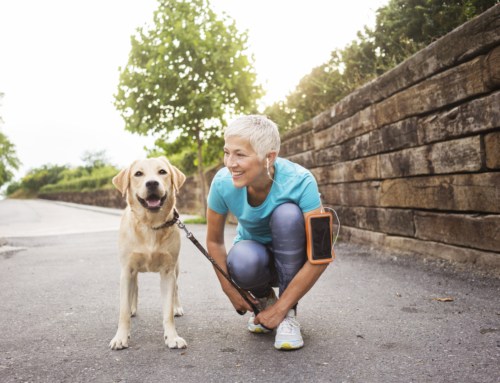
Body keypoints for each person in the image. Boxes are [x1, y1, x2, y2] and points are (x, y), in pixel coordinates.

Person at [206, 115, 329, 350]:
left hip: (296, 261)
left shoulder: (301, 181)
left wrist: (281, 310)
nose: (229, 163)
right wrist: (230, 289)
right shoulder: (222, 183)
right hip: (256, 264)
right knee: (241, 259)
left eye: (240, 154)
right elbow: (213, 241)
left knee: (287, 215)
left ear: (268, 157)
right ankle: (265, 299)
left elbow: (322, 253)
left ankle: (288, 314)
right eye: (227, 152)